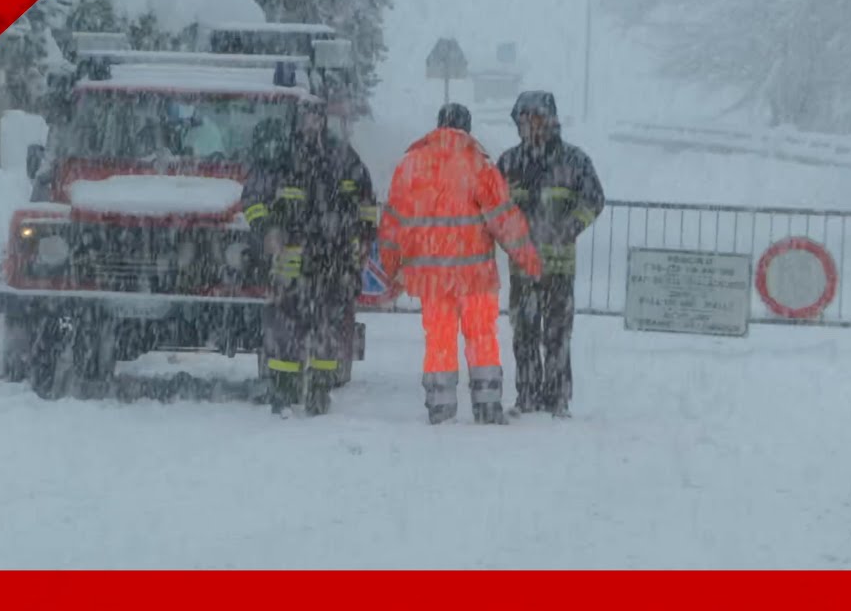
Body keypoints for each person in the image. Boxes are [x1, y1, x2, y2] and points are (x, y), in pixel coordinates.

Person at [378, 103, 543, 425]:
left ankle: (440, 406)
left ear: (438, 125)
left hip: (431, 278)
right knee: (482, 336)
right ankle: (487, 404)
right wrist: (529, 260)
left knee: (439, 339)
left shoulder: (412, 164)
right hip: (475, 276)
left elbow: (392, 223)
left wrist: (391, 266)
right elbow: (503, 218)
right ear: (467, 128)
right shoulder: (477, 164)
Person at [241, 107, 378, 417]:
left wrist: (363, 240)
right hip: (291, 262)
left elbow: (367, 203)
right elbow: (252, 198)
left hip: (334, 261)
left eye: (316, 117)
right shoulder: (280, 157)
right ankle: (284, 390)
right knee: (286, 329)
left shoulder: (344, 157)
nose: (311, 123)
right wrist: (267, 230)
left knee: (326, 329)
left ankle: (319, 390)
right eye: (305, 117)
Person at [497, 91, 605, 418]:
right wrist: (509, 238)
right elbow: (494, 209)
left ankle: (558, 399)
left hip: (559, 267)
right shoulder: (509, 163)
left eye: (536, 119)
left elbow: (594, 200)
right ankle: (527, 396)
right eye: (524, 120)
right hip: (522, 268)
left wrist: (570, 228)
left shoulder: (575, 161)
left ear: (550, 120)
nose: (530, 126)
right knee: (524, 333)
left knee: (557, 334)